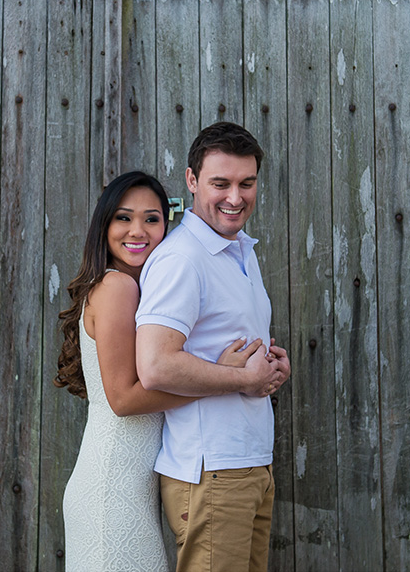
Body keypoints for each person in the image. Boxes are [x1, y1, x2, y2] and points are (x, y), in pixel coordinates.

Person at [56, 171, 277, 572]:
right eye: (123, 218)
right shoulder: (117, 287)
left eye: (152, 219)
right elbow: (123, 400)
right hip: (113, 487)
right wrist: (223, 378)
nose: (137, 230)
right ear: (103, 225)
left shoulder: (130, 287)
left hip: (132, 486)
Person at [135, 122, 291, 572]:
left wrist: (269, 369)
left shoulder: (240, 249)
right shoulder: (181, 259)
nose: (235, 197)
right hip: (211, 470)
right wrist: (243, 377)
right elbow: (156, 365)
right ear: (191, 181)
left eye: (247, 183)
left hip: (249, 462)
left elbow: (230, 351)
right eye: (220, 183)